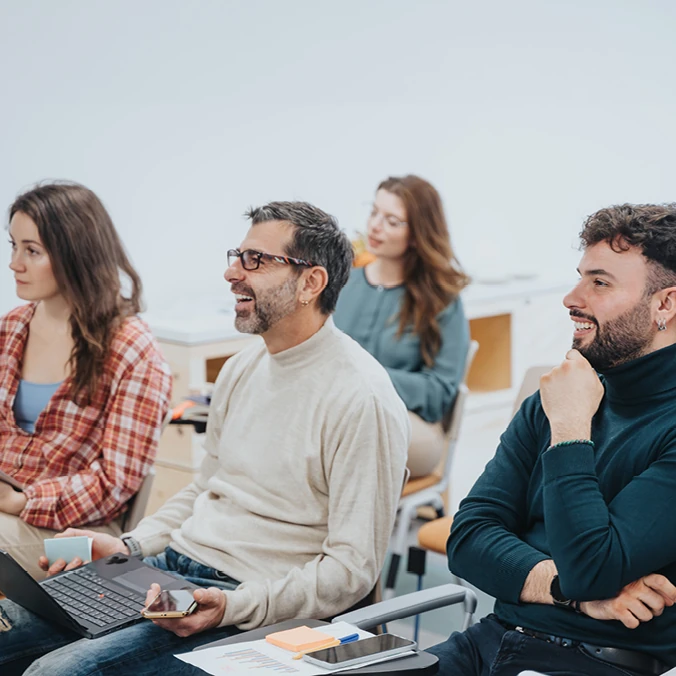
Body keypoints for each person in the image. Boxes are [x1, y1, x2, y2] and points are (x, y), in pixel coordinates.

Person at [0, 201, 410, 676]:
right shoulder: (241, 368)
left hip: (253, 605)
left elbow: (350, 573)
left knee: (53, 674)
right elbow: (204, 491)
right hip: (172, 574)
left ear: (311, 283)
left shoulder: (362, 399)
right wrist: (130, 548)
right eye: (236, 256)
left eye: (255, 260)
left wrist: (234, 605)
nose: (231, 272)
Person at [427, 203, 676, 675]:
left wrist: (569, 432)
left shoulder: (573, 409)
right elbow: (469, 536)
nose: (571, 297)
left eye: (599, 283)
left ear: (664, 304)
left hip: (593, 661)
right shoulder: (557, 395)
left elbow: (592, 569)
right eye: (580, 277)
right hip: (489, 640)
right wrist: (571, 594)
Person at [0, 182, 171, 579]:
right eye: (13, 246)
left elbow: (113, 484)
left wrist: (20, 501)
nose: (14, 264)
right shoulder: (10, 330)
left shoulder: (133, 351)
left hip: (79, 530)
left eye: (32, 251)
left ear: (75, 254)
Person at [334, 175, 470, 477]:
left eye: (392, 221)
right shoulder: (342, 285)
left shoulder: (442, 300)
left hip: (410, 425)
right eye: (374, 213)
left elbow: (440, 393)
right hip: (341, 417)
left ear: (417, 233)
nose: (375, 226)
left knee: (344, 439)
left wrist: (369, 377)